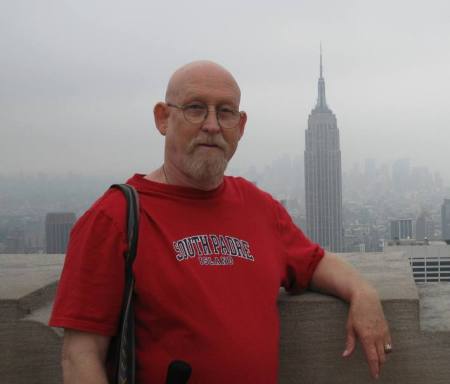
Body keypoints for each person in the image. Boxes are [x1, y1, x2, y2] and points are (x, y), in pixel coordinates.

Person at [49, 60, 392, 383]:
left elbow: (314, 263)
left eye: (225, 112)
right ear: (163, 118)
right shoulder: (114, 217)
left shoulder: (259, 207)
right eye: (196, 108)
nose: (212, 125)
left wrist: (362, 292)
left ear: (240, 127)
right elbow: (81, 354)